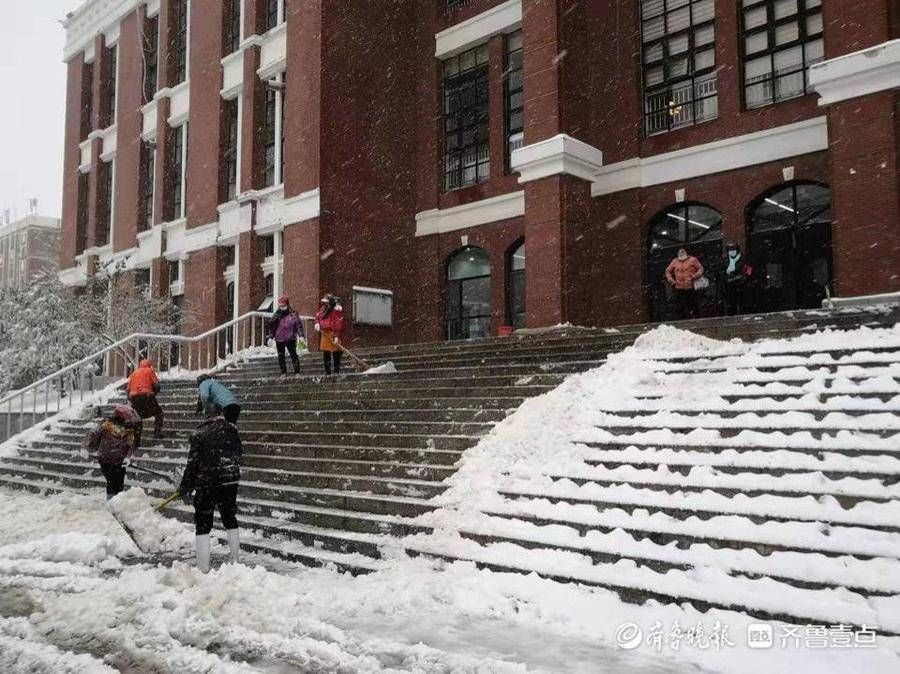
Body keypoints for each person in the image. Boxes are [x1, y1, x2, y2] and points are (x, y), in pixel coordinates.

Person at [178, 413, 243, 573]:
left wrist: (185, 485)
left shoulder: (200, 433)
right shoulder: (232, 430)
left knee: (203, 522)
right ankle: (235, 561)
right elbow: (239, 452)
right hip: (230, 480)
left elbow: (193, 463)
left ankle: (203, 567)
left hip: (208, 482)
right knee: (229, 516)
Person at [87, 404, 142, 501]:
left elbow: (130, 444)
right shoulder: (106, 425)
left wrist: (128, 457)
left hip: (119, 460)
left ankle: (117, 502)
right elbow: (93, 435)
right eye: (128, 418)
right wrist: (88, 448)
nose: (130, 420)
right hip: (107, 460)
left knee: (118, 483)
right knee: (112, 484)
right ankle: (112, 504)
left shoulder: (128, 430)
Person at [127, 359, 164, 439]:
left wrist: (131, 399)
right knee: (159, 413)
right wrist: (154, 393)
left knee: (137, 417)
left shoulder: (134, 373)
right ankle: (157, 433)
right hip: (147, 397)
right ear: (149, 365)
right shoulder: (150, 371)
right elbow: (157, 386)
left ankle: (136, 437)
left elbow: (127, 389)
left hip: (134, 398)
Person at [665, 248, 704, 320]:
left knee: (693, 303)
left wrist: (694, 276)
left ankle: (697, 317)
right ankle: (682, 319)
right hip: (679, 287)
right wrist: (671, 280)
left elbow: (701, 269)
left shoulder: (693, 260)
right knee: (680, 305)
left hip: (691, 286)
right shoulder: (675, 261)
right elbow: (667, 271)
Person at [268, 295, 303, 375]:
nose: (282, 307)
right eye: (280, 306)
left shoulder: (293, 314)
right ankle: (283, 372)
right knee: (281, 356)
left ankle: (297, 371)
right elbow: (273, 327)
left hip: (290, 338)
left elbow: (298, 325)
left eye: (283, 306)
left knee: (293, 354)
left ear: (287, 305)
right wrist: (270, 337)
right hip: (279, 338)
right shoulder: (277, 315)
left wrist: (301, 336)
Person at [315, 294, 345, 375]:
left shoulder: (336, 311)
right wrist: (317, 323)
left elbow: (338, 324)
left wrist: (336, 336)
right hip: (325, 333)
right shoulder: (323, 309)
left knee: (336, 352)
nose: (325, 304)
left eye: (327, 302)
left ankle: (336, 370)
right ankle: (327, 371)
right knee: (326, 353)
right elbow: (318, 317)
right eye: (324, 302)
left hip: (333, 333)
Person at [722, 242, 754, 316]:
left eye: (733, 249)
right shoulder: (725, 260)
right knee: (731, 303)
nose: (731, 251)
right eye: (729, 250)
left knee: (743, 302)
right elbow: (722, 272)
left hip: (742, 284)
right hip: (730, 285)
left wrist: (743, 277)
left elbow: (749, 270)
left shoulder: (743, 258)